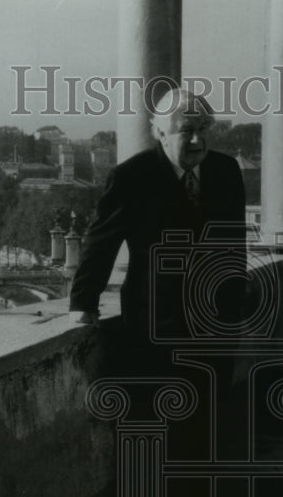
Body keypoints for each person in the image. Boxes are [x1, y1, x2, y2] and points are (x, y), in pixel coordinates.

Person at [69, 87, 246, 344]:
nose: (198, 140)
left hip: (218, 324)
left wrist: (236, 299)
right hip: (154, 327)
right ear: (161, 133)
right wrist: (82, 304)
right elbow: (101, 244)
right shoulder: (131, 177)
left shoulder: (226, 170)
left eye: (204, 128)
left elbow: (235, 242)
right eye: (186, 131)